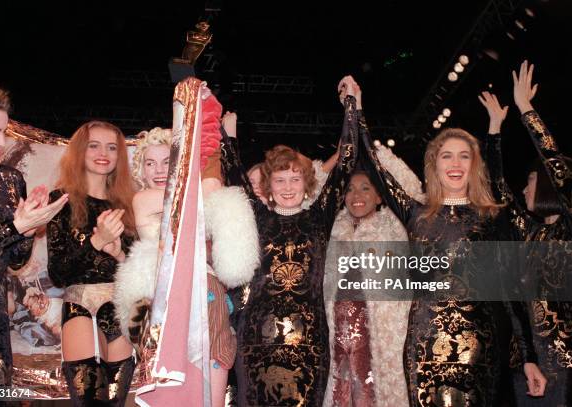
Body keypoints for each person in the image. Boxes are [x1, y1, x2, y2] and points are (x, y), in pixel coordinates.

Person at [361, 119, 547, 405]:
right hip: (425, 347)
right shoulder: (416, 215)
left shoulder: (494, 218)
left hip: (480, 350)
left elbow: (511, 291)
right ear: (435, 166)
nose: (456, 163)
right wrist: (356, 108)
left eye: (464, 155)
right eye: (447, 155)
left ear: (475, 165)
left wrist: (528, 358)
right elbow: (373, 163)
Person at [220, 75, 360, 406]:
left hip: (308, 341)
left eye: (295, 179)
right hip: (257, 339)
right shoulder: (257, 214)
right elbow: (234, 172)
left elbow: (348, 161)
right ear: (268, 184)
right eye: (279, 179)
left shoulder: (319, 216)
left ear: (306, 181)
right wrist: (228, 134)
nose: (286, 186)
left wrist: (352, 108)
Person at [114, 97, 258, 406]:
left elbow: (213, 194)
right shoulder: (144, 200)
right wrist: (203, 126)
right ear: (140, 168)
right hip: (166, 305)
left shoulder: (199, 195)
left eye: (167, 161)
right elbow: (202, 193)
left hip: (211, 302)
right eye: (149, 163)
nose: (157, 170)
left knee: (212, 397)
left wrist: (207, 125)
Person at [479, 60, 572, 406]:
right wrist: (494, 132)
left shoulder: (569, 229)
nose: (524, 188)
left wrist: (526, 110)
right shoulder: (531, 234)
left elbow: (555, 164)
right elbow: (498, 191)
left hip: (568, 364)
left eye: (531, 180)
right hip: (528, 362)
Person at [0, 80, 67, 389]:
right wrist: (15, 228)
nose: (2, 142)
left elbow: (15, 261)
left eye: (4, 132)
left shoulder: (11, 180)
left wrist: (30, 227)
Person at [324, 144, 425, 406]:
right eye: (349, 189)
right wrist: (342, 152)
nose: (356, 195)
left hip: (382, 340)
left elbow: (412, 190)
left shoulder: (394, 226)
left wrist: (372, 147)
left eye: (366, 187)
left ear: (381, 196)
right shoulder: (331, 228)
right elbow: (308, 194)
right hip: (338, 340)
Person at [46, 120, 136, 406]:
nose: (103, 153)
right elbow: (58, 274)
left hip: (121, 307)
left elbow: (139, 270)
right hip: (80, 305)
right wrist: (97, 242)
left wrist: (119, 254)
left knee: (116, 403)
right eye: (94, 145)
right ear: (79, 151)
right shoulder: (61, 201)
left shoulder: (130, 205)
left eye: (112, 147)